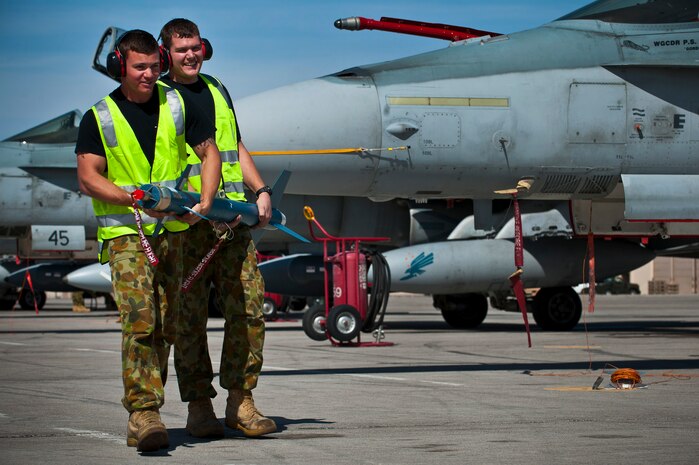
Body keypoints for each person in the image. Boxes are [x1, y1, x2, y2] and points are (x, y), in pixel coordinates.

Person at [75, 29, 221, 452]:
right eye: (139, 67)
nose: (149, 74)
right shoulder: (99, 117)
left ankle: (178, 406)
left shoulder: (177, 103)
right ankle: (144, 413)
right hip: (126, 233)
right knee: (141, 319)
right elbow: (88, 178)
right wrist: (135, 199)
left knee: (174, 324)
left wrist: (206, 202)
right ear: (120, 66)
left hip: (174, 231)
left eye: (154, 66)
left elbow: (208, 152)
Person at [159, 18, 276, 439]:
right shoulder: (159, 98)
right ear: (165, 54)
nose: (190, 54)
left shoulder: (217, 88)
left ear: (204, 48)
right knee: (189, 319)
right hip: (186, 225)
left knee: (248, 308)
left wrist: (260, 189)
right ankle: (198, 408)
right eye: (181, 49)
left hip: (232, 222)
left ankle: (240, 402)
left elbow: (236, 145)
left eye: (196, 47)